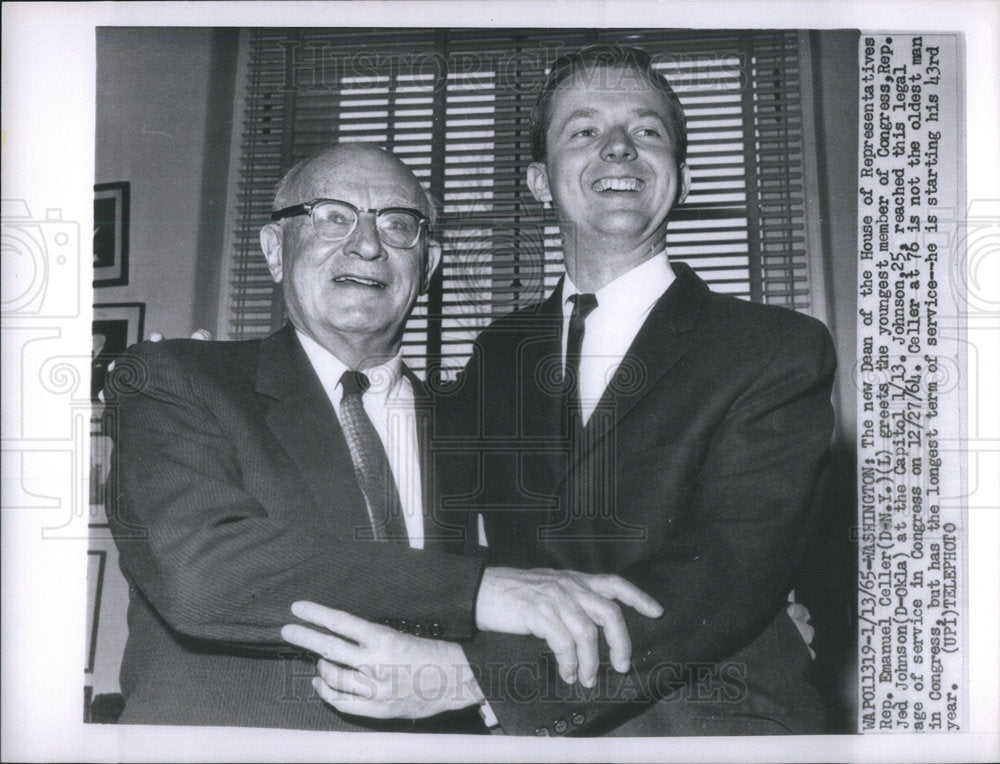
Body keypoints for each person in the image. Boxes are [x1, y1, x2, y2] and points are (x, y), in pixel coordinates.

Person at [286, 44, 836, 736]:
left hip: (714, 730)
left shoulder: (777, 349)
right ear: (540, 183)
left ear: (683, 178)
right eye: (583, 130)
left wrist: (476, 674)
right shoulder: (496, 355)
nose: (617, 149)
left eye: (647, 131)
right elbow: (406, 497)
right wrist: (271, 383)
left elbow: (728, 568)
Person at [104, 142, 663, 731]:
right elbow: (200, 572)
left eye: (399, 226)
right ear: (274, 249)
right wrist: (476, 591)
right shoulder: (174, 379)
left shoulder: (479, 427)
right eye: (331, 217)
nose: (367, 245)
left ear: (428, 265)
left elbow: (567, 591)